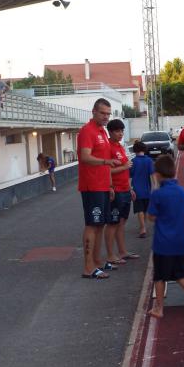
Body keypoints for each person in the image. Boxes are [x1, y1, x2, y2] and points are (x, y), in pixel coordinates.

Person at [147, 155, 184, 319]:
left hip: (163, 243)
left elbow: (152, 216)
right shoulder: (181, 191)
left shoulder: (158, 194)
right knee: (180, 272)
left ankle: (159, 307)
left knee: (160, 276)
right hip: (180, 240)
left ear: (158, 174)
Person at [77, 98, 122, 279]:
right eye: (103, 113)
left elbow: (104, 161)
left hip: (103, 185)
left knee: (100, 224)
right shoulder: (87, 131)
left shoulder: (102, 132)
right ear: (94, 112)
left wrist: (110, 184)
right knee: (92, 224)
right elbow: (85, 157)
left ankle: (97, 262)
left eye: (108, 114)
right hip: (91, 185)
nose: (106, 117)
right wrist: (105, 161)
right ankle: (88, 267)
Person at [105, 119, 140, 267]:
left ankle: (122, 251)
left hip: (125, 189)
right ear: (110, 132)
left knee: (121, 222)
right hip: (116, 191)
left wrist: (130, 188)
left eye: (122, 131)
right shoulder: (107, 147)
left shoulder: (119, 147)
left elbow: (125, 170)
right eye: (118, 131)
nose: (121, 134)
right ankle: (110, 255)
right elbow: (106, 170)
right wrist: (111, 186)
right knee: (113, 223)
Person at [131, 141, 155, 238]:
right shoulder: (149, 160)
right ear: (144, 149)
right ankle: (143, 225)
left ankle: (142, 227)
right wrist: (155, 187)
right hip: (147, 189)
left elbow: (129, 175)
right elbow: (152, 175)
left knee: (139, 209)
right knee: (145, 209)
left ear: (134, 150)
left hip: (136, 189)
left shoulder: (133, 161)